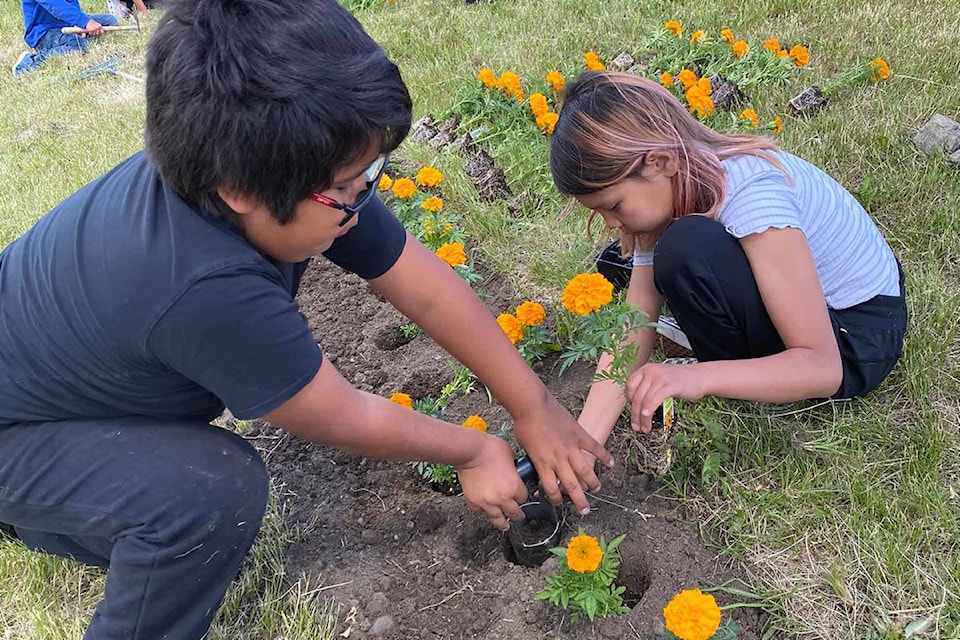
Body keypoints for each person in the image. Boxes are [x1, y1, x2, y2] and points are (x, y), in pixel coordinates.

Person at [0, 0, 612, 637]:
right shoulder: (205, 283)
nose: (362, 198)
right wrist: (472, 448)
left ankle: (64, 506)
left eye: (372, 174)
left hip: (64, 389)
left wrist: (531, 403)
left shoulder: (293, 175)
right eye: (351, 186)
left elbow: (425, 287)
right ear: (240, 188)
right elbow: (341, 415)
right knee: (206, 498)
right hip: (15, 429)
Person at [549, 71, 906, 447]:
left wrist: (699, 378)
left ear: (659, 162)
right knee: (651, 257)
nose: (609, 222)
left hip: (856, 342)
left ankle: (742, 371)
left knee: (684, 249)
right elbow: (635, 324)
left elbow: (824, 368)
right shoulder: (677, 183)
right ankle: (735, 362)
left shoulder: (750, 195)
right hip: (827, 318)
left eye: (614, 206)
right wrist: (585, 443)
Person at [12, 0, 119, 78]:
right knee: (79, 45)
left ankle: (69, 45)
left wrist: (77, 24)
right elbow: (55, 5)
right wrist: (84, 22)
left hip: (65, 23)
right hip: (44, 32)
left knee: (110, 21)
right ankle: (29, 62)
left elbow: (71, 2)